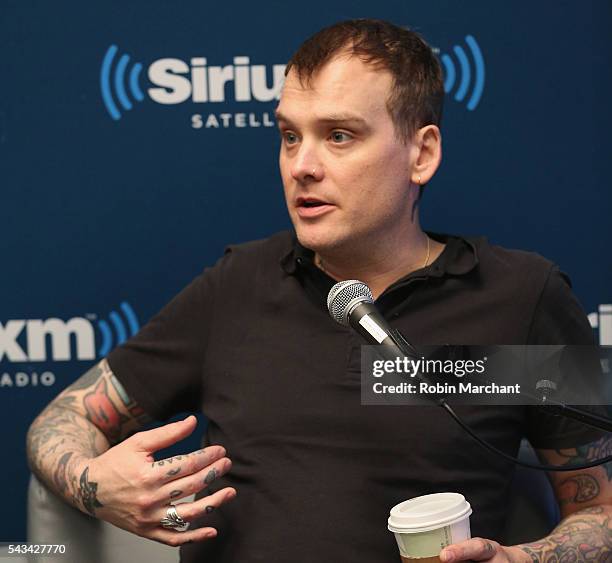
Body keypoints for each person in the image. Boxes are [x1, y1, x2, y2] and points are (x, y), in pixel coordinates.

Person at [27, 19, 611, 563]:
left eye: (338, 135)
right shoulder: (239, 282)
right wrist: (92, 482)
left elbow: (598, 508)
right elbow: (63, 419)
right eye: (288, 136)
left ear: (421, 152)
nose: (301, 165)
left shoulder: (521, 293)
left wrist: (525, 558)